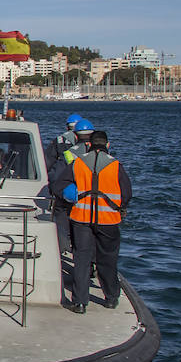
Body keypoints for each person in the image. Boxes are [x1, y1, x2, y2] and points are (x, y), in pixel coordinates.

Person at [50, 129, 132, 313]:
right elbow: (126, 193)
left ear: (88, 145)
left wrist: (71, 195)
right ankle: (111, 298)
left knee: (82, 259)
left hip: (81, 219)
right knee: (107, 259)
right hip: (108, 220)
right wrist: (120, 207)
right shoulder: (116, 165)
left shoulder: (78, 163)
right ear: (108, 145)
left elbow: (58, 185)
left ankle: (80, 302)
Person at [47, 118, 93, 253]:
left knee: (62, 218)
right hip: (93, 198)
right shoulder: (101, 154)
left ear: (75, 134)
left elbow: (56, 175)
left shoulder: (69, 152)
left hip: (72, 194)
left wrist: (56, 191)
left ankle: (65, 247)